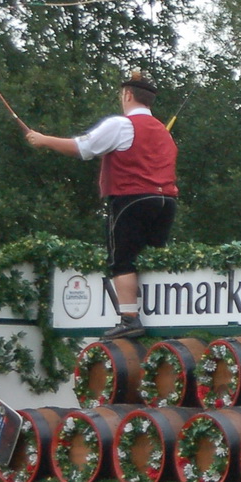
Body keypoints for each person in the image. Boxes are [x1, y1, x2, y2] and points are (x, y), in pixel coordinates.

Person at [24, 71, 177, 338]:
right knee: (152, 256)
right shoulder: (164, 133)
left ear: (127, 95)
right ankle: (161, 311)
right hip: (166, 200)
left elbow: (83, 148)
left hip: (132, 197)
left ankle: (130, 318)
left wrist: (44, 140)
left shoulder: (121, 124)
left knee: (122, 260)